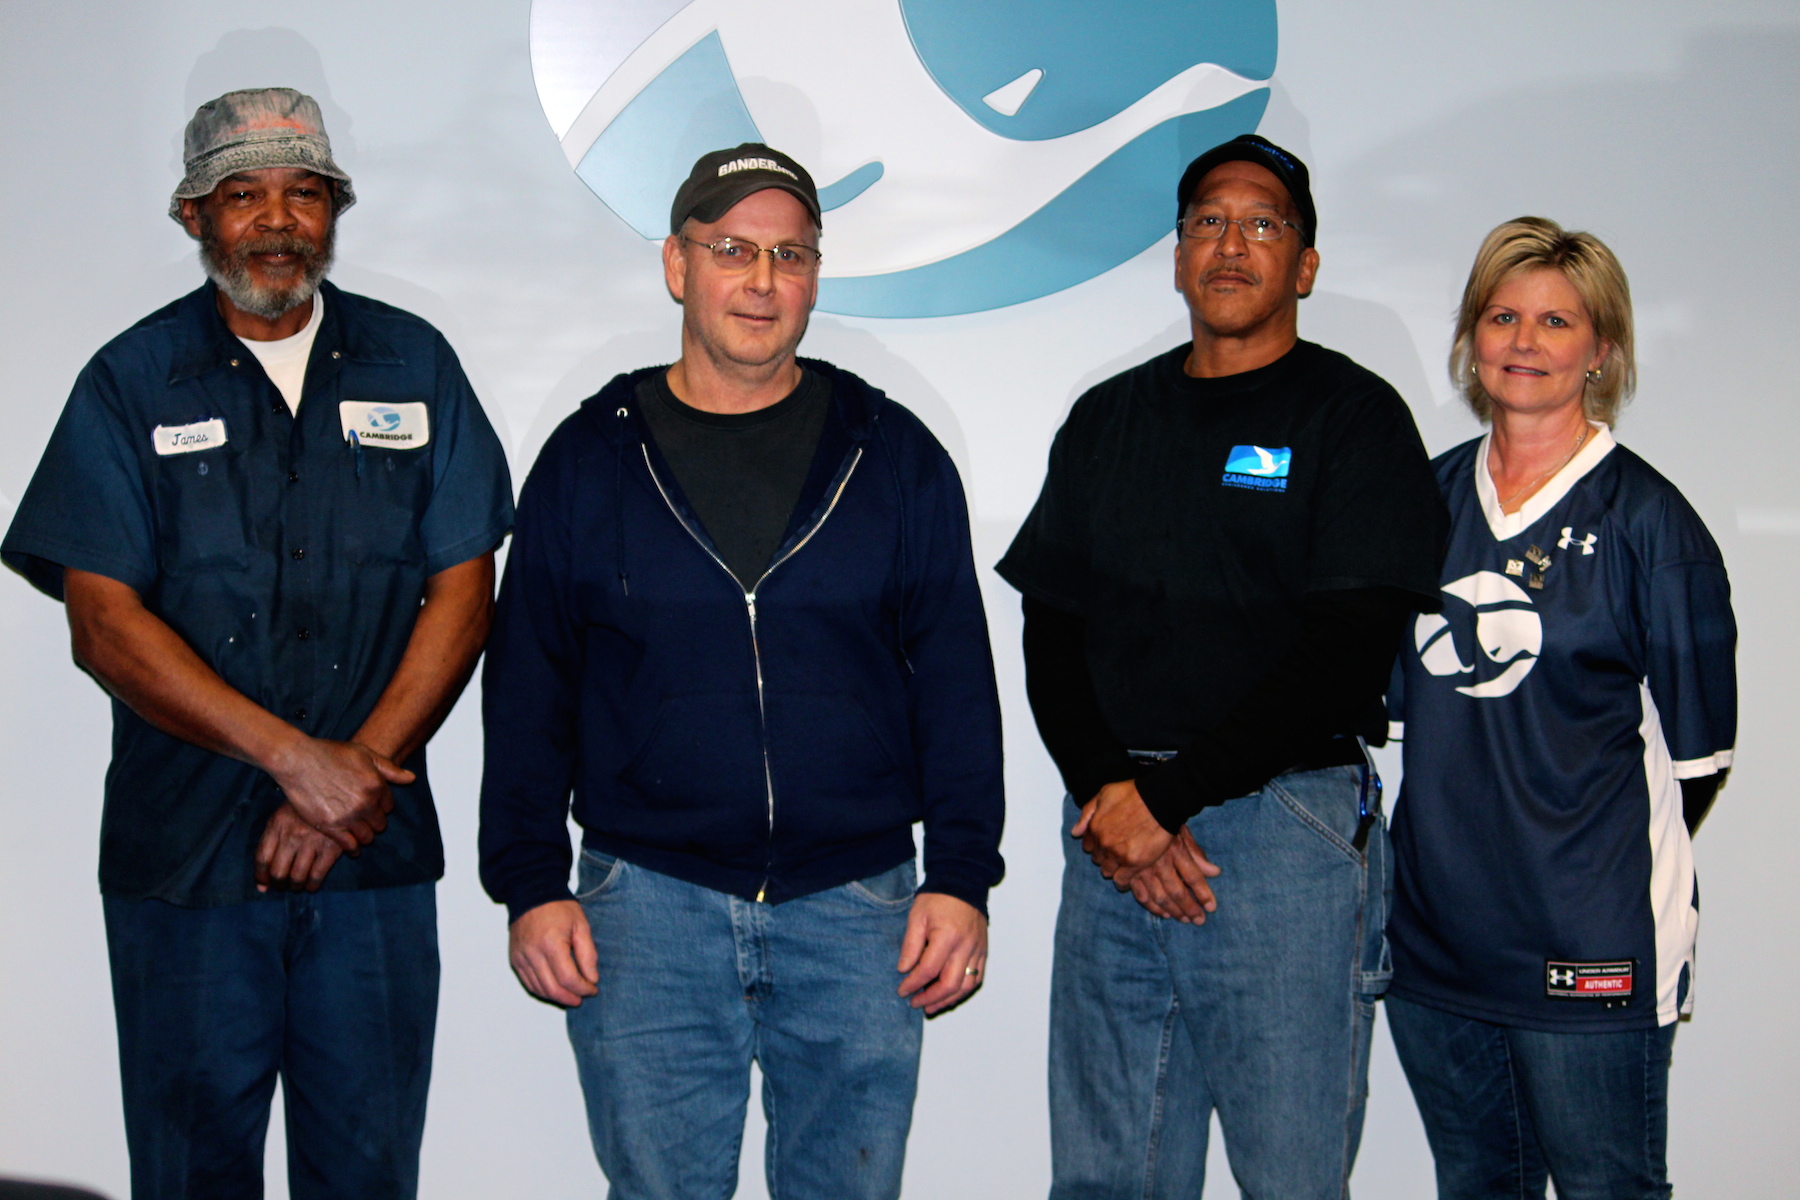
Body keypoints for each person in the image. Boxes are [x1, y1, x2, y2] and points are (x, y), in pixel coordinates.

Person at [0, 89, 513, 1199]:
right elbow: (104, 624)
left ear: (335, 209)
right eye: (244, 194)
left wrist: (348, 781)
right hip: (184, 868)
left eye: (304, 192)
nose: (277, 221)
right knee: (189, 1176)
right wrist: (297, 762)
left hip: (370, 859)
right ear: (193, 217)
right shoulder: (128, 384)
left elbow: (464, 593)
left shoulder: (413, 364)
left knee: (369, 1173)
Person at [478, 143, 1004, 1200]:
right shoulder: (589, 459)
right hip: (647, 907)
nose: (763, 281)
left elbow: (954, 680)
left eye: (790, 254)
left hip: (858, 910)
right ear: (678, 265)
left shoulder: (891, 455)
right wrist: (530, 883)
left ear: (815, 275)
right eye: (733, 250)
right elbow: (528, 686)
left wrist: (960, 876)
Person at [997, 134, 1448, 1198]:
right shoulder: (1109, 417)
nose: (1231, 244)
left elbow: (1345, 655)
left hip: (1280, 835)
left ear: (1305, 265)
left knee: (1288, 1174)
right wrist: (1115, 796)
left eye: (1262, 224)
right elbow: (1051, 629)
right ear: (1177, 253)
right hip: (1110, 835)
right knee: (1108, 1175)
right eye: (1208, 221)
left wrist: (1168, 800)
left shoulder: (1354, 417)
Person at [1383, 217, 1735, 1200]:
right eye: (1502, 315)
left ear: (1602, 351)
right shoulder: (1423, 503)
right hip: (1439, 944)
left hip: (1591, 944)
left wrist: (1569, 862)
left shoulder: (1649, 523)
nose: (1524, 342)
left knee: (1607, 1186)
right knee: (1477, 1184)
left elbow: (1698, 765)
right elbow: (1406, 721)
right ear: (1470, 336)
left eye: (1555, 321)